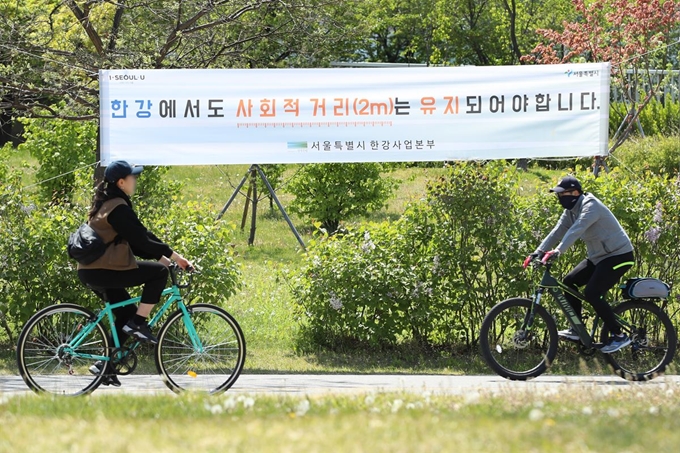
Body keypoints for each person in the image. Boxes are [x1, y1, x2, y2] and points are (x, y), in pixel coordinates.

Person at [77, 161, 193, 386]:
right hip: (101, 270)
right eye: (133, 177)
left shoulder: (110, 204)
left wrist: (168, 259)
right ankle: (139, 323)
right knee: (158, 274)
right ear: (121, 182)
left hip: (95, 270)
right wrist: (175, 258)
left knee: (124, 313)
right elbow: (141, 239)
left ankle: (106, 366)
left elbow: (139, 240)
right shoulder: (117, 207)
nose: (136, 180)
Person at [526, 175, 635, 354]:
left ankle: (618, 335)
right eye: (558, 195)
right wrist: (538, 251)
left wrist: (558, 251)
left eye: (563, 194)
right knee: (570, 282)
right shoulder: (571, 211)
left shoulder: (590, 206)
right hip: (599, 257)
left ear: (575, 193)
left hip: (619, 256)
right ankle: (577, 329)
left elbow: (577, 229)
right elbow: (557, 231)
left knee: (592, 292)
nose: (560, 198)